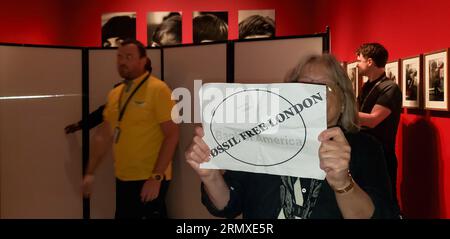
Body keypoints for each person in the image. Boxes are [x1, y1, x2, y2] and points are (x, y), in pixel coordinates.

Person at [185, 54, 397, 219]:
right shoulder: (262, 139)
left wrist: (343, 183)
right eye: (302, 87)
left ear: (343, 101)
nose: (311, 95)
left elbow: (381, 215)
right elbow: (228, 205)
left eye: (324, 87)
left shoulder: (364, 148)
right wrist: (210, 176)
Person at [82, 39, 179, 219]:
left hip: (149, 178)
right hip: (124, 178)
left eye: (129, 57)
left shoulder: (159, 90)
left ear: (143, 61)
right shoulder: (115, 93)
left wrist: (156, 177)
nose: (122, 61)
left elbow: (172, 135)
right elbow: (103, 136)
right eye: (119, 56)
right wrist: (90, 172)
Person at [356, 43, 402, 211]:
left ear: (369, 62)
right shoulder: (367, 86)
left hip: (382, 154)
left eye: (359, 60)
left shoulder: (390, 87)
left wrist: (339, 112)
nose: (356, 64)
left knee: (385, 202)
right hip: (364, 151)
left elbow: (373, 120)